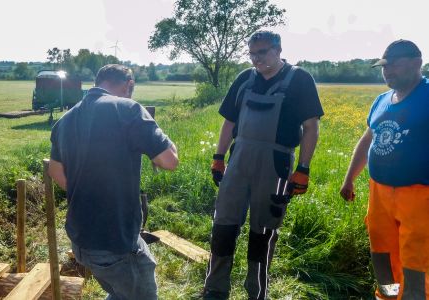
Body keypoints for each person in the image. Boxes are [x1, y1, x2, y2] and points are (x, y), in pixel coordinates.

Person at [203, 30, 324, 300]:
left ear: (278, 50)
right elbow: (229, 123)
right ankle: (215, 288)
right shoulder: (245, 79)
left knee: (264, 230)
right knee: (223, 224)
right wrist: (219, 157)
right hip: (239, 159)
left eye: (263, 52)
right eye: (252, 53)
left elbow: (311, 127)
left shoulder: (299, 79)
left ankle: (256, 292)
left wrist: (303, 169)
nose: (257, 59)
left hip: (277, 164)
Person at [48, 64, 179, 299]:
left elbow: (56, 171)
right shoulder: (128, 109)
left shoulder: (65, 121)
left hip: (82, 238)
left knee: (121, 289)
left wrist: (87, 189)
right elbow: (169, 161)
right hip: (113, 241)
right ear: (129, 85)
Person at [340, 40, 429, 299]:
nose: (387, 71)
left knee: (416, 262)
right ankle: (389, 297)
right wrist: (349, 179)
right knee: (383, 256)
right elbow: (367, 140)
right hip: (379, 194)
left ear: (416, 63)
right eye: (383, 67)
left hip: (419, 196)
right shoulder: (381, 101)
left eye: (394, 66)